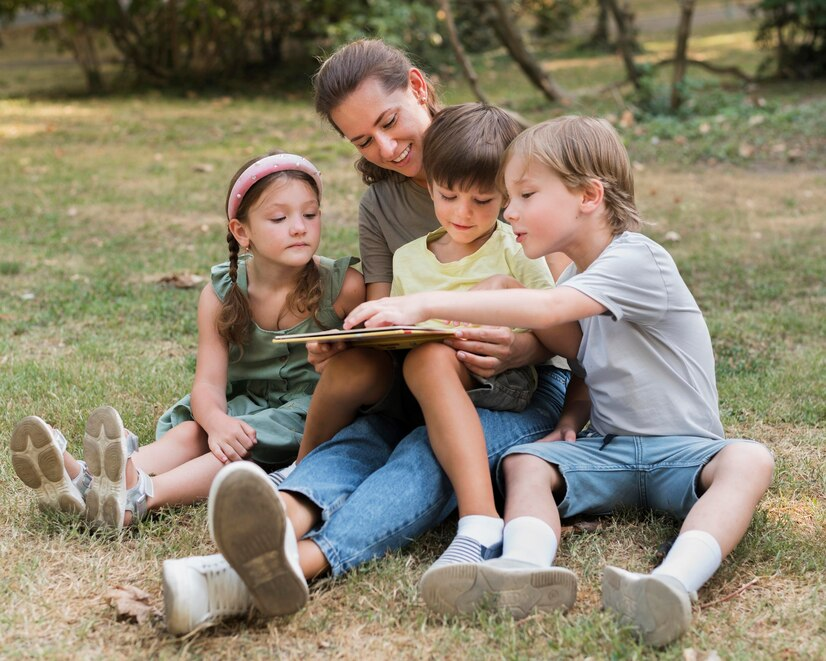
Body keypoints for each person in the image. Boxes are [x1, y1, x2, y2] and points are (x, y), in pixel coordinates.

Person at [161, 39, 572, 635]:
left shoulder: (510, 160)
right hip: (420, 379)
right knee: (365, 438)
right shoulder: (381, 206)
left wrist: (526, 346)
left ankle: (280, 569)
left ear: (420, 88)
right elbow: (389, 320)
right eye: (362, 141)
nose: (386, 148)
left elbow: (573, 314)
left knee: (420, 457)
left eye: (389, 121)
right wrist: (349, 344)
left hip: (519, 384)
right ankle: (277, 514)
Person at [342, 115, 776, 645]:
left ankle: (672, 583)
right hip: (608, 453)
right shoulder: (577, 277)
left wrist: (421, 302)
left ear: (589, 195)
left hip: (686, 454)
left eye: (524, 194)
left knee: (749, 459)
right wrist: (570, 419)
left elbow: (547, 306)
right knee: (526, 462)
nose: (508, 211)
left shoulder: (638, 259)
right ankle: (522, 568)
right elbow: (587, 361)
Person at [10, 152, 364, 531]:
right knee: (194, 431)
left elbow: (365, 372)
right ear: (242, 232)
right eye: (279, 218)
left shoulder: (343, 287)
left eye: (310, 215)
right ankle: (86, 480)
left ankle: (139, 497)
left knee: (240, 445)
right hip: (242, 404)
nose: (299, 228)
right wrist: (215, 422)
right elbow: (209, 384)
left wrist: (229, 432)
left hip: (306, 416)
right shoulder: (222, 295)